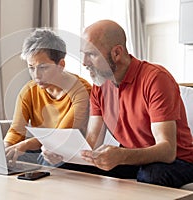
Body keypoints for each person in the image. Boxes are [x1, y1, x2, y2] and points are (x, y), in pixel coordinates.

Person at [42, 20, 193, 188]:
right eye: (83, 54)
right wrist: (63, 153)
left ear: (116, 53)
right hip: (133, 160)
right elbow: (92, 142)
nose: (84, 62)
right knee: (60, 166)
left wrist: (121, 156)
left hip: (179, 161)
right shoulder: (100, 86)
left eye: (91, 54)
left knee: (151, 174)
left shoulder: (155, 79)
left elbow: (167, 150)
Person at [4, 29, 92, 165]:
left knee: (48, 158)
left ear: (61, 65)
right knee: (7, 158)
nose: (36, 75)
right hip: (41, 148)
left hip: (67, 151)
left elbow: (60, 137)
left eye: (43, 67)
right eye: (31, 68)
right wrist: (5, 150)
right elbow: (16, 131)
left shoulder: (82, 91)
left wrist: (25, 145)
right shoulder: (29, 90)